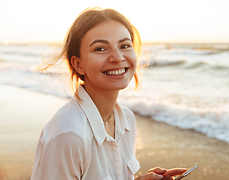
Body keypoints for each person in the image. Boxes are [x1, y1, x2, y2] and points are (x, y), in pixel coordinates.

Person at [31, 7, 187, 180]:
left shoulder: (127, 120)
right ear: (78, 64)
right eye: (100, 49)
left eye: (125, 45)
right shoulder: (68, 135)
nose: (117, 57)